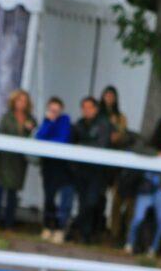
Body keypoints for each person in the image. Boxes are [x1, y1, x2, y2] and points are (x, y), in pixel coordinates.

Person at [126, 116, 161, 256]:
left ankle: (153, 248)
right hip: (148, 184)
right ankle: (129, 243)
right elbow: (137, 148)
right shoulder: (151, 139)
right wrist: (156, 154)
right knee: (138, 217)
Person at [70, 96, 112, 243]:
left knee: (92, 202)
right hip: (81, 170)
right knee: (83, 201)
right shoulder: (79, 124)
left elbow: (102, 144)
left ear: (96, 109)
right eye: (84, 108)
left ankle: (77, 228)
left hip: (97, 171)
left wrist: (82, 146)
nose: (86, 111)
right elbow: (71, 143)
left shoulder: (103, 124)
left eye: (89, 107)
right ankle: (84, 234)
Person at [0, 89, 35, 229]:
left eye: (24, 101)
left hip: (18, 161)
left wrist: (29, 129)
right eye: (19, 100)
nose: (21, 103)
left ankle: (9, 224)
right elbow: (0, 134)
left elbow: (35, 136)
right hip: (5, 160)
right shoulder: (7, 117)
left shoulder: (31, 119)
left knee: (13, 193)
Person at [35, 96, 74, 243]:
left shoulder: (65, 120)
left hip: (62, 168)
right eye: (52, 109)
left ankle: (59, 229)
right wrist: (50, 122)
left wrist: (48, 138)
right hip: (48, 166)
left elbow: (62, 140)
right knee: (49, 197)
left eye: (56, 110)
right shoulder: (47, 121)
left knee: (63, 199)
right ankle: (47, 226)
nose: (54, 112)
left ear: (61, 109)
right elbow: (40, 138)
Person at [100, 85, 131, 241]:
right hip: (98, 159)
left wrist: (117, 133)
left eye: (112, 96)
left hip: (114, 162)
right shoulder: (97, 114)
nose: (109, 98)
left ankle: (113, 231)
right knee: (98, 196)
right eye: (107, 95)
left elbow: (124, 136)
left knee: (115, 197)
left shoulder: (120, 117)